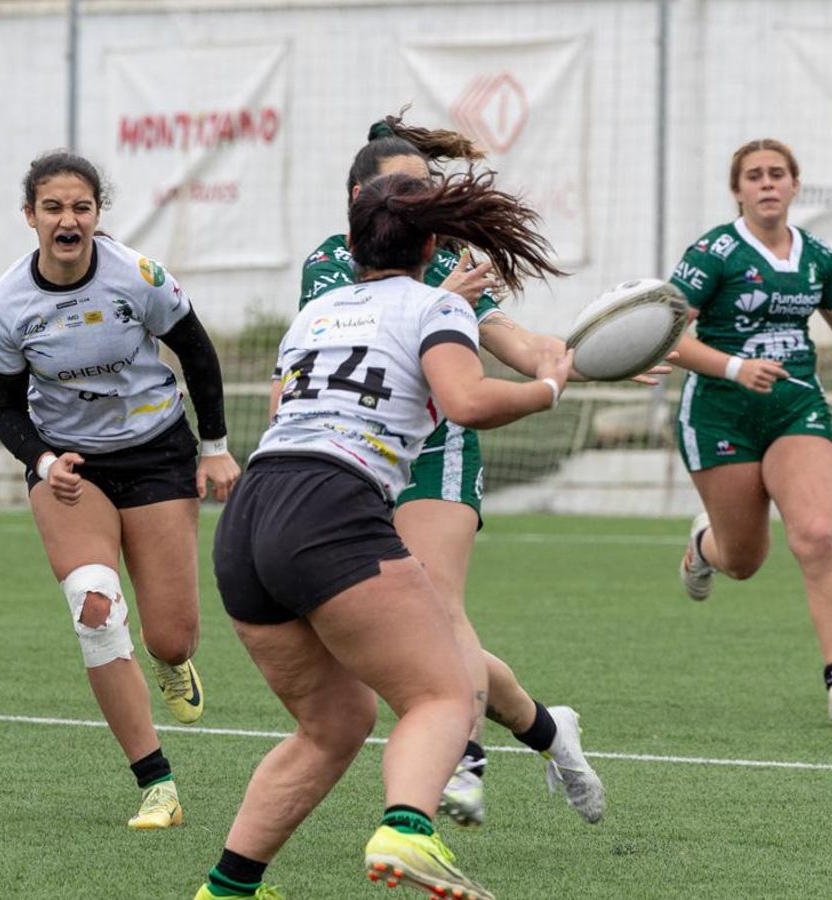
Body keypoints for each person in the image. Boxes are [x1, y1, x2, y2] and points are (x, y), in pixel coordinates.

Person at [197, 169, 569, 900]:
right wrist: (547, 388)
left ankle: (228, 889)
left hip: (248, 516)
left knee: (332, 723)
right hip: (329, 504)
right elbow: (465, 401)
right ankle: (407, 831)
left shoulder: (318, 310)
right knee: (442, 695)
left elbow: (285, 408)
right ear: (432, 244)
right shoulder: (437, 306)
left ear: (350, 243)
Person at [301, 115, 613, 827]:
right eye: (399, 189)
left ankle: (463, 762)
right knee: (396, 635)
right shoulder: (326, 264)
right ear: (358, 196)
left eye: (423, 188)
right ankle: (546, 728)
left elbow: (516, 343)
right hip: (359, 454)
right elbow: (368, 331)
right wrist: (443, 305)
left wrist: (580, 362)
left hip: (436, 451)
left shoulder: (445, 264)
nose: (416, 200)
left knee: (439, 609)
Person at [0, 150, 239, 830]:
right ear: (30, 215)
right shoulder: (6, 304)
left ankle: (172, 663)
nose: (69, 221)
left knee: (173, 635)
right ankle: (156, 783)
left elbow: (198, 353)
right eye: (54, 208)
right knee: (94, 608)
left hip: (157, 454)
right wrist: (40, 461)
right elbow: (5, 408)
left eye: (82, 208)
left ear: (98, 214)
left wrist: (213, 448)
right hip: (72, 469)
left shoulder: (137, 276)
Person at [669, 138, 832, 725]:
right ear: (737, 190)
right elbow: (667, 335)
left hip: (794, 408)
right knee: (743, 560)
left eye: (777, 174)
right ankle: (703, 549)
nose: (767, 183)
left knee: (817, 536)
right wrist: (735, 367)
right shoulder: (712, 252)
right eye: (754, 176)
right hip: (718, 413)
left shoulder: (818, 258)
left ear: (794, 185)